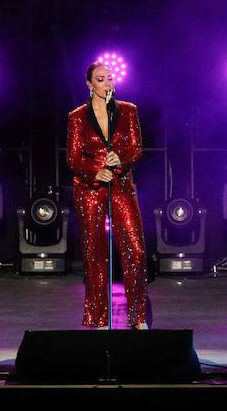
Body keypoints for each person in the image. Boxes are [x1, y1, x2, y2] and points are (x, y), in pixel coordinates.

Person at [66, 62, 150, 328]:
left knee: (135, 249)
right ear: (89, 84)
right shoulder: (77, 117)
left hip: (121, 185)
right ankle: (99, 318)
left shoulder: (128, 110)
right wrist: (95, 172)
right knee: (95, 253)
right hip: (90, 190)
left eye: (110, 78)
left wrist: (121, 160)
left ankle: (138, 317)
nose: (107, 83)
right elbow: (73, 158)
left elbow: (136, 149)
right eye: (101, 79)